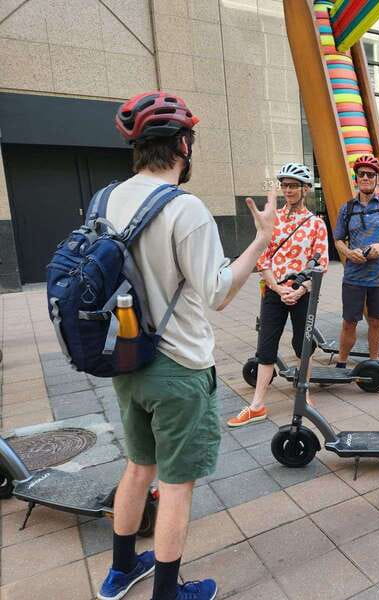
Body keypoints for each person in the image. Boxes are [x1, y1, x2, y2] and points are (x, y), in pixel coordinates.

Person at [99, 91, 276, 600]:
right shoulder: (185, 207)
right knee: (176, 485)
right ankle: (168, 593)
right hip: (178, 366)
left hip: (126, 357)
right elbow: (218, 293)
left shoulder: (107, 199)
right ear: (182, 144)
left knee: (138, 467)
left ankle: (120, 570)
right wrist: (261, 240)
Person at [227, 163, 329, 427]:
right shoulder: (272, 218)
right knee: (266, 345)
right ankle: (257, 404)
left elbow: (320, 263)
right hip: (274, 290)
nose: (288, 190)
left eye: (294, 185)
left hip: (302, 292)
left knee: (303, 344)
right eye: (285, 185)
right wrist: (277, 287)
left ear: (306, 189)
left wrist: (300, 289)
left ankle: (304, 394)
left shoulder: (316, 224)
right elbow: (262, 258)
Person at [333, 155, 379, 367]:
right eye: (361, 174)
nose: (365, 177)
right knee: (349, 322)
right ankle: (342, 362)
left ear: (376, 179)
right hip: (353, 276)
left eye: (370, 174)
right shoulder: (347, 209)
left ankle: (374, 362)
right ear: (356, 178)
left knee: (375, 322)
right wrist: (348, 253)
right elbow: (338, 240)